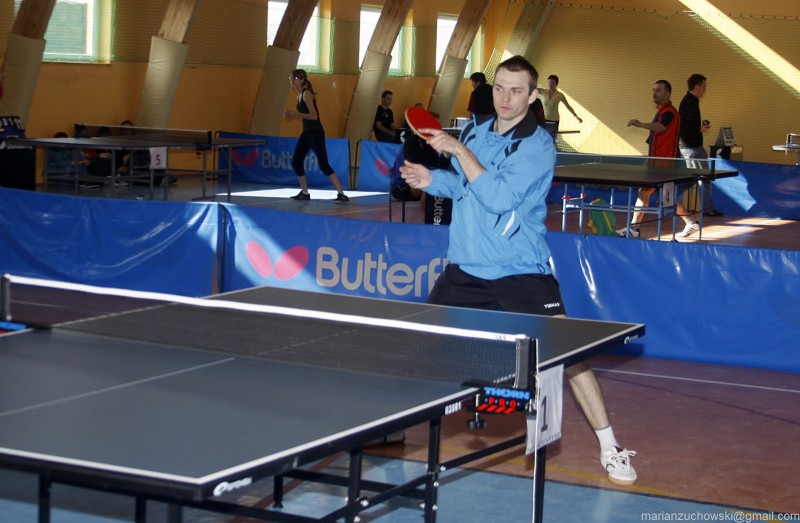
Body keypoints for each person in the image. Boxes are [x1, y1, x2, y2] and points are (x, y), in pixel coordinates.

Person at [400, 55, 637, 486]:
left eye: (516, 90)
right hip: (466, 267)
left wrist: (458, 151)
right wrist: (431, 180)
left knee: (570, 357)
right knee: (418, 345)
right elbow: (464, 187)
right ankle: (385, 430)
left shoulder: (537, 146)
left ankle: (610, 447)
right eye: (499, 88)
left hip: (519, 270)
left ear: (531, 96)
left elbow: (497, 198)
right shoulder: (475, 131)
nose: (505, 98)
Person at [624, 80, 699, 238]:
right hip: (657, 162)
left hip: (666, 163)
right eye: (653, 90)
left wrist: (639, 124)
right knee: (663, 197)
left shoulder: (669, 112)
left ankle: (634, 229)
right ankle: (691, 223)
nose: (654, 93)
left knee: (650, 193)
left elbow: (661, 127)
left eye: (658, 90)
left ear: (667, 93)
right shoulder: (661, 111)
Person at [284, 69, 349, 202]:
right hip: (307, 132)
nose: (291, 80)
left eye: (293, 78)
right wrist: (294, 115)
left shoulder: (307, 94)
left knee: (323, 165)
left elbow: (314, 116)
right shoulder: (299, 95)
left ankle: (341, 194)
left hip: (315, 132)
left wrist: (295, 114)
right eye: (290, 78)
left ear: (301, 80)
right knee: (296, 161)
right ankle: (305, 193)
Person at [679, 73, 722, 217]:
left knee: (698, 179)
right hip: (691, 147)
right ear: (697, 86)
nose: (705, 89)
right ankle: (668, 196)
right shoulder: (688, 102)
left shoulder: (692, 101)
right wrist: (700, 129)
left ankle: (707, 208)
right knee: (698, 179)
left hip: (693, 146)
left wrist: (699, 127)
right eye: (704, 86)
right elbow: (684, 127)